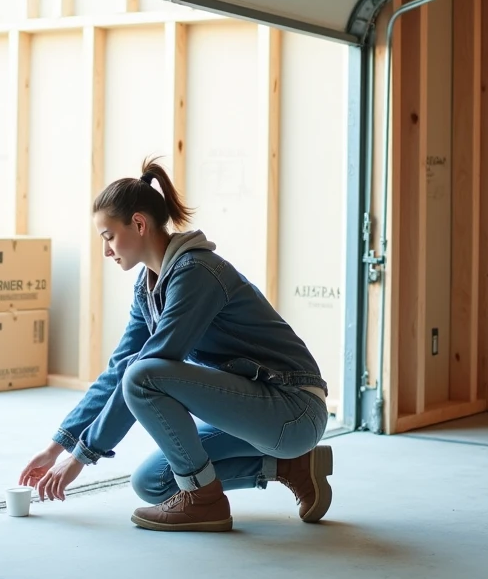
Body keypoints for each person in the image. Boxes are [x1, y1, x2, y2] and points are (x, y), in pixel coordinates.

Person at [18, 157, 333, 532]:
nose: (106, 251)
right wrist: (58, 447)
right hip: (256, 413)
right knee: (153, 483)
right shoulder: (148, 286)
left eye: (109, 237)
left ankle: (205, 501)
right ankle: (290, 466)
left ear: (138, 223)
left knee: (145, 375)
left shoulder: (197, 273)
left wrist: (82, 458)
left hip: (294, 409)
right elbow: (118, 371)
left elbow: (146, 373)